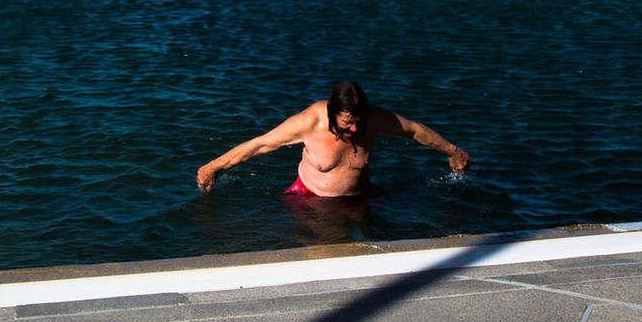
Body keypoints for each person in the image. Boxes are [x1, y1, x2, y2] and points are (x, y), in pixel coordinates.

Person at [197, 81, 471, 198]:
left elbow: (414, 130)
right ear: (332, 114)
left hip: (361, 196)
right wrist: (214, 166)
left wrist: (453, 150)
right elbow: (261, 144)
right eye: (347, 123)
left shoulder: (372, 119)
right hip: (309, 201)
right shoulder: (310, 122)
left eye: (358, 122)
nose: (354, 130)